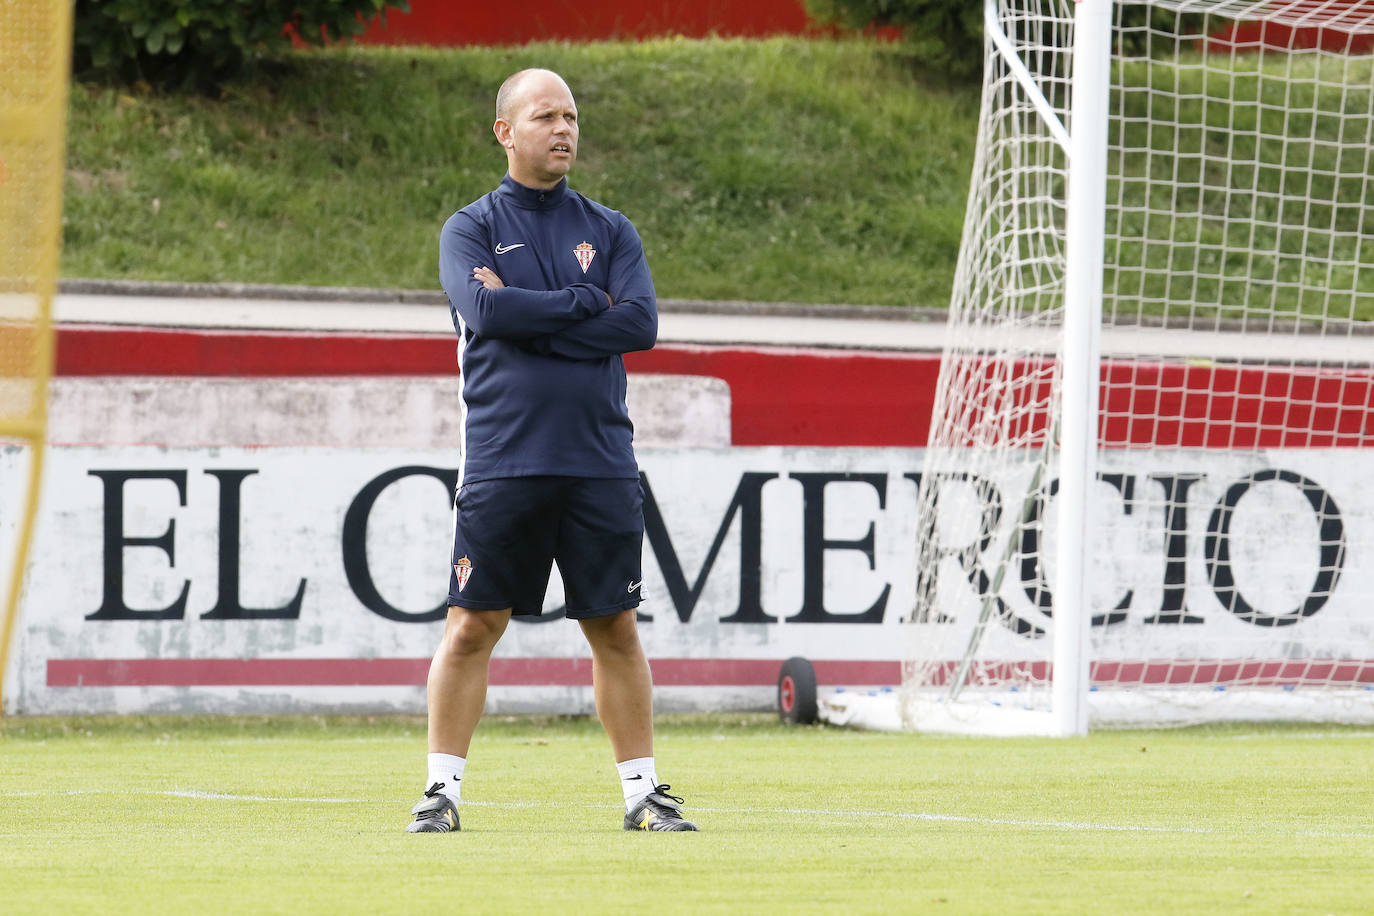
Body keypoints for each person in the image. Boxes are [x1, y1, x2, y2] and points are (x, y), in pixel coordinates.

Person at [406, 68, 698, 833]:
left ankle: (643, 795)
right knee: (473, 625)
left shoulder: (611, 229)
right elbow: (482, 309)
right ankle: (441, 794)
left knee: (615, 627)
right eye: (545, 116)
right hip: (503, 459)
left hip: (600, 461)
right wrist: (581, 304)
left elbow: (638, 325)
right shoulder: (467, 227)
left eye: (570, 116)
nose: (563, 129)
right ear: (506, 131)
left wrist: (531, 314)